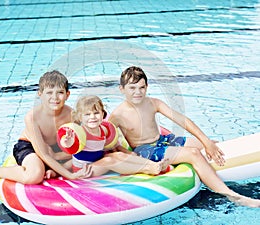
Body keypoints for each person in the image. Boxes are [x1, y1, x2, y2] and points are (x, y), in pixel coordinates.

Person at [109, 66, 260, 208]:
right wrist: (127, 153)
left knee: (214, 144)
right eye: (132, 88)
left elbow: (183, 121)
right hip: (146, 150)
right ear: (122, 89)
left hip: (164, 140)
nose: (138, 92)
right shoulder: (118, 115)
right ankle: (231, 195)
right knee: (193, 154)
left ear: (147, 87)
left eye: (142, 87)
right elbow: (106, 140)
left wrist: (206, 142)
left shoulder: (153, 103)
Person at [0, 70, 92, 190]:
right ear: (40, 94)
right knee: (35, 176)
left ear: (67, 95)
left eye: (60, 92)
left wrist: (59, 155)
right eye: (49, 93)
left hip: (55, 148)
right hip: (30, 147)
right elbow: (44, 154)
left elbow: (79, 144)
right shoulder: (32, 117)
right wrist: (70, 175)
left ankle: (53, 170)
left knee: (87, 155)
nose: (55, 97)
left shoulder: (72, 115)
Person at [58, 95, 169, 177]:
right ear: (80, 117)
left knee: (117, 155)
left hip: (97, 162)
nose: (92, 117)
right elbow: (69, 146)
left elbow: (110, 147)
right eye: (87, 114)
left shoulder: (103, 130)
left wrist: (127, 153)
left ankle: (153, 164)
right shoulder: (80, 133)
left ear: (102, 114)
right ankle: (148, 169)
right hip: (84, 170)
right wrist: (67, 141)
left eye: (96, 113)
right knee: (108, 161)